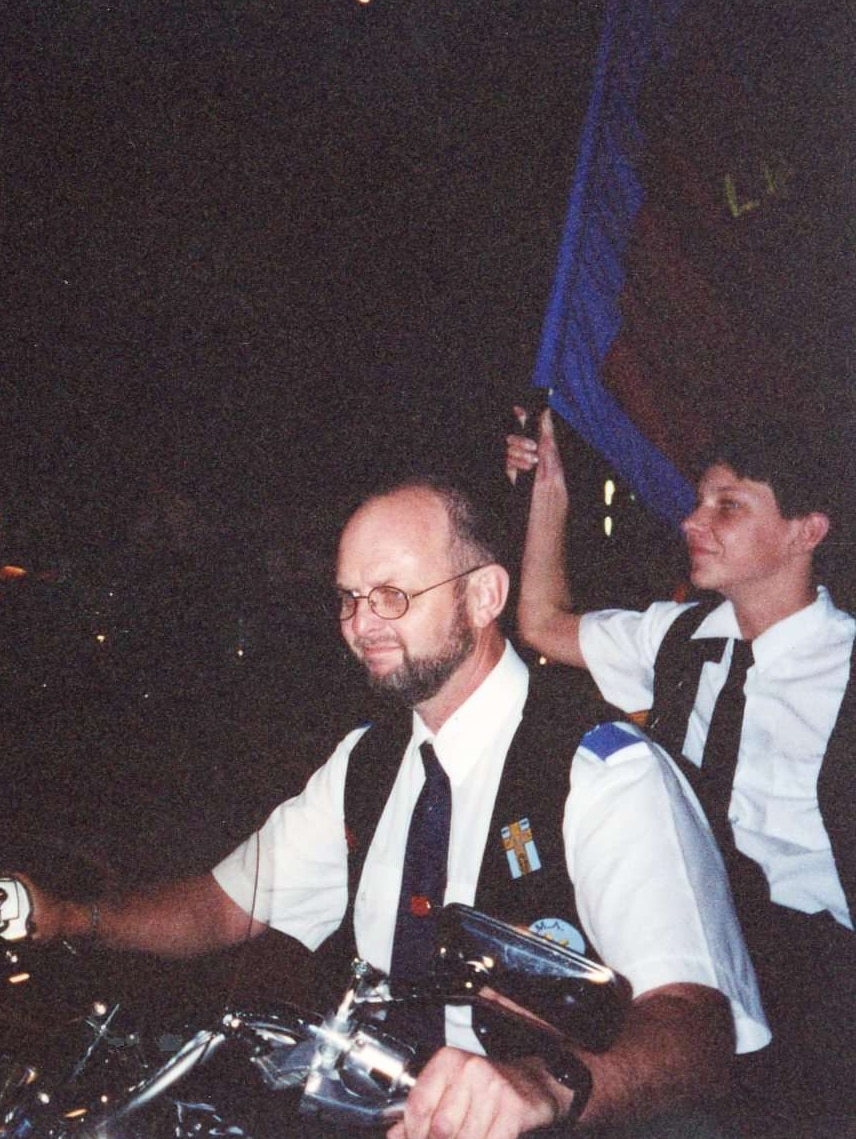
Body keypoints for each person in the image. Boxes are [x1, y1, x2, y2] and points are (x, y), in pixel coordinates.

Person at [16, 478, 767, 1139]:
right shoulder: (368, 764)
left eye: (393, 595)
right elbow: (221, 907)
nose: (361, 623)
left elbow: (696, 1029)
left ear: (484, 595)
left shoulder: (602, 771)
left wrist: (545, 1084)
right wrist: (66, 916)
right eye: (348, 596)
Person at [506, 409, 855, 1132]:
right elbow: (540, 620)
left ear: (805, 530)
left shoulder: (845, 663)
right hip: (677, 943)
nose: (694, 519)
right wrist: (551, 491)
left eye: (728, 504)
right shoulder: (677, 637)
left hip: (814, 979)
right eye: (699, 500)